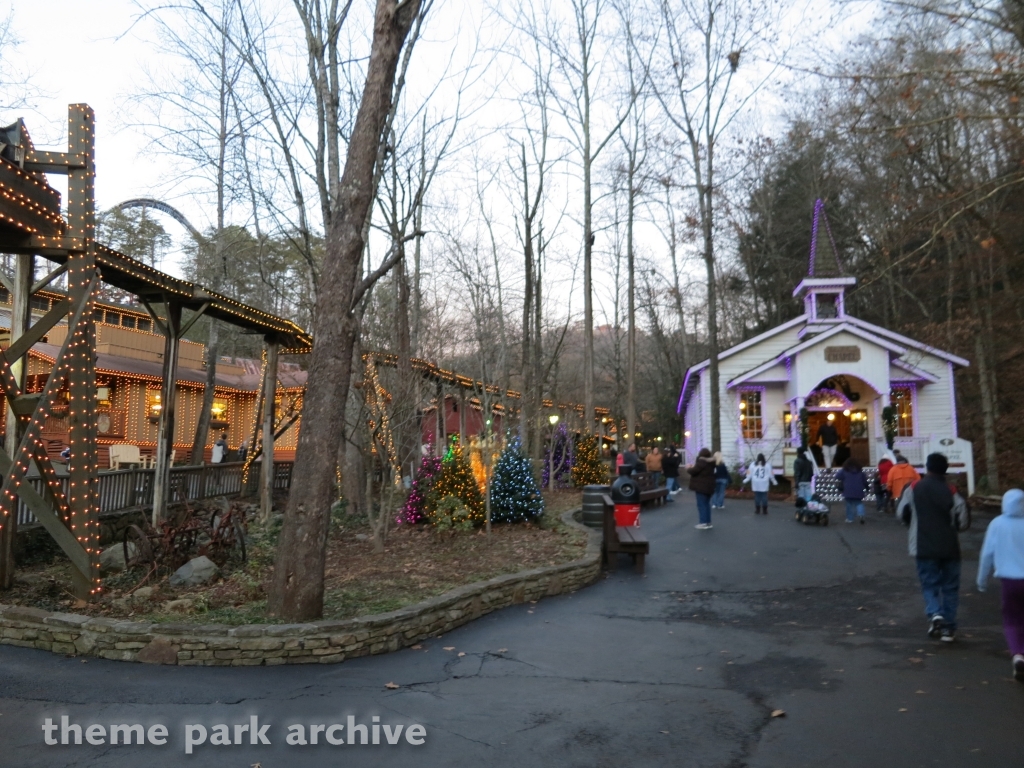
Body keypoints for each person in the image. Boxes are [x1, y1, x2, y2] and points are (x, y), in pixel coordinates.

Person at [898, 452, 970, 643]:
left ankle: (934, 612)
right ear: (945, 470)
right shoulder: (952, 491)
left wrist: (911, 524)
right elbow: (962, 520)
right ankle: (949, 629)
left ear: (927, 467)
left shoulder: (913, 488)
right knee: (950, 588)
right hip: (949, 546)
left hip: (923, 544)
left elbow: (902, 513)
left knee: (929, 583)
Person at [977, 488, 1024, 682]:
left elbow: (987, 554)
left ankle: (1018, 654)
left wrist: (982, 579)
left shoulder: (997, 524)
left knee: (1012, 618)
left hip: (1008, 581)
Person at [687, 447, 716, 530]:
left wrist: (688, 468)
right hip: (709, 486)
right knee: (706, 504)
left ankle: (703, 522)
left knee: (701, 504)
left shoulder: (701, 462)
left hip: (701, 486)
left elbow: (694, 471)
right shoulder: (711, 463)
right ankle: (708, 522)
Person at [836, 457, 868, 524]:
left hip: (848, 490)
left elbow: (837, 476)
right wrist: (867, 488)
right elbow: (865, 481)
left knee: (849, 505)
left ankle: (850, 519)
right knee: (859, 503)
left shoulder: (844, 470)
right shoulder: (860, 472)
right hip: (858, 490)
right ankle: (861, 514)